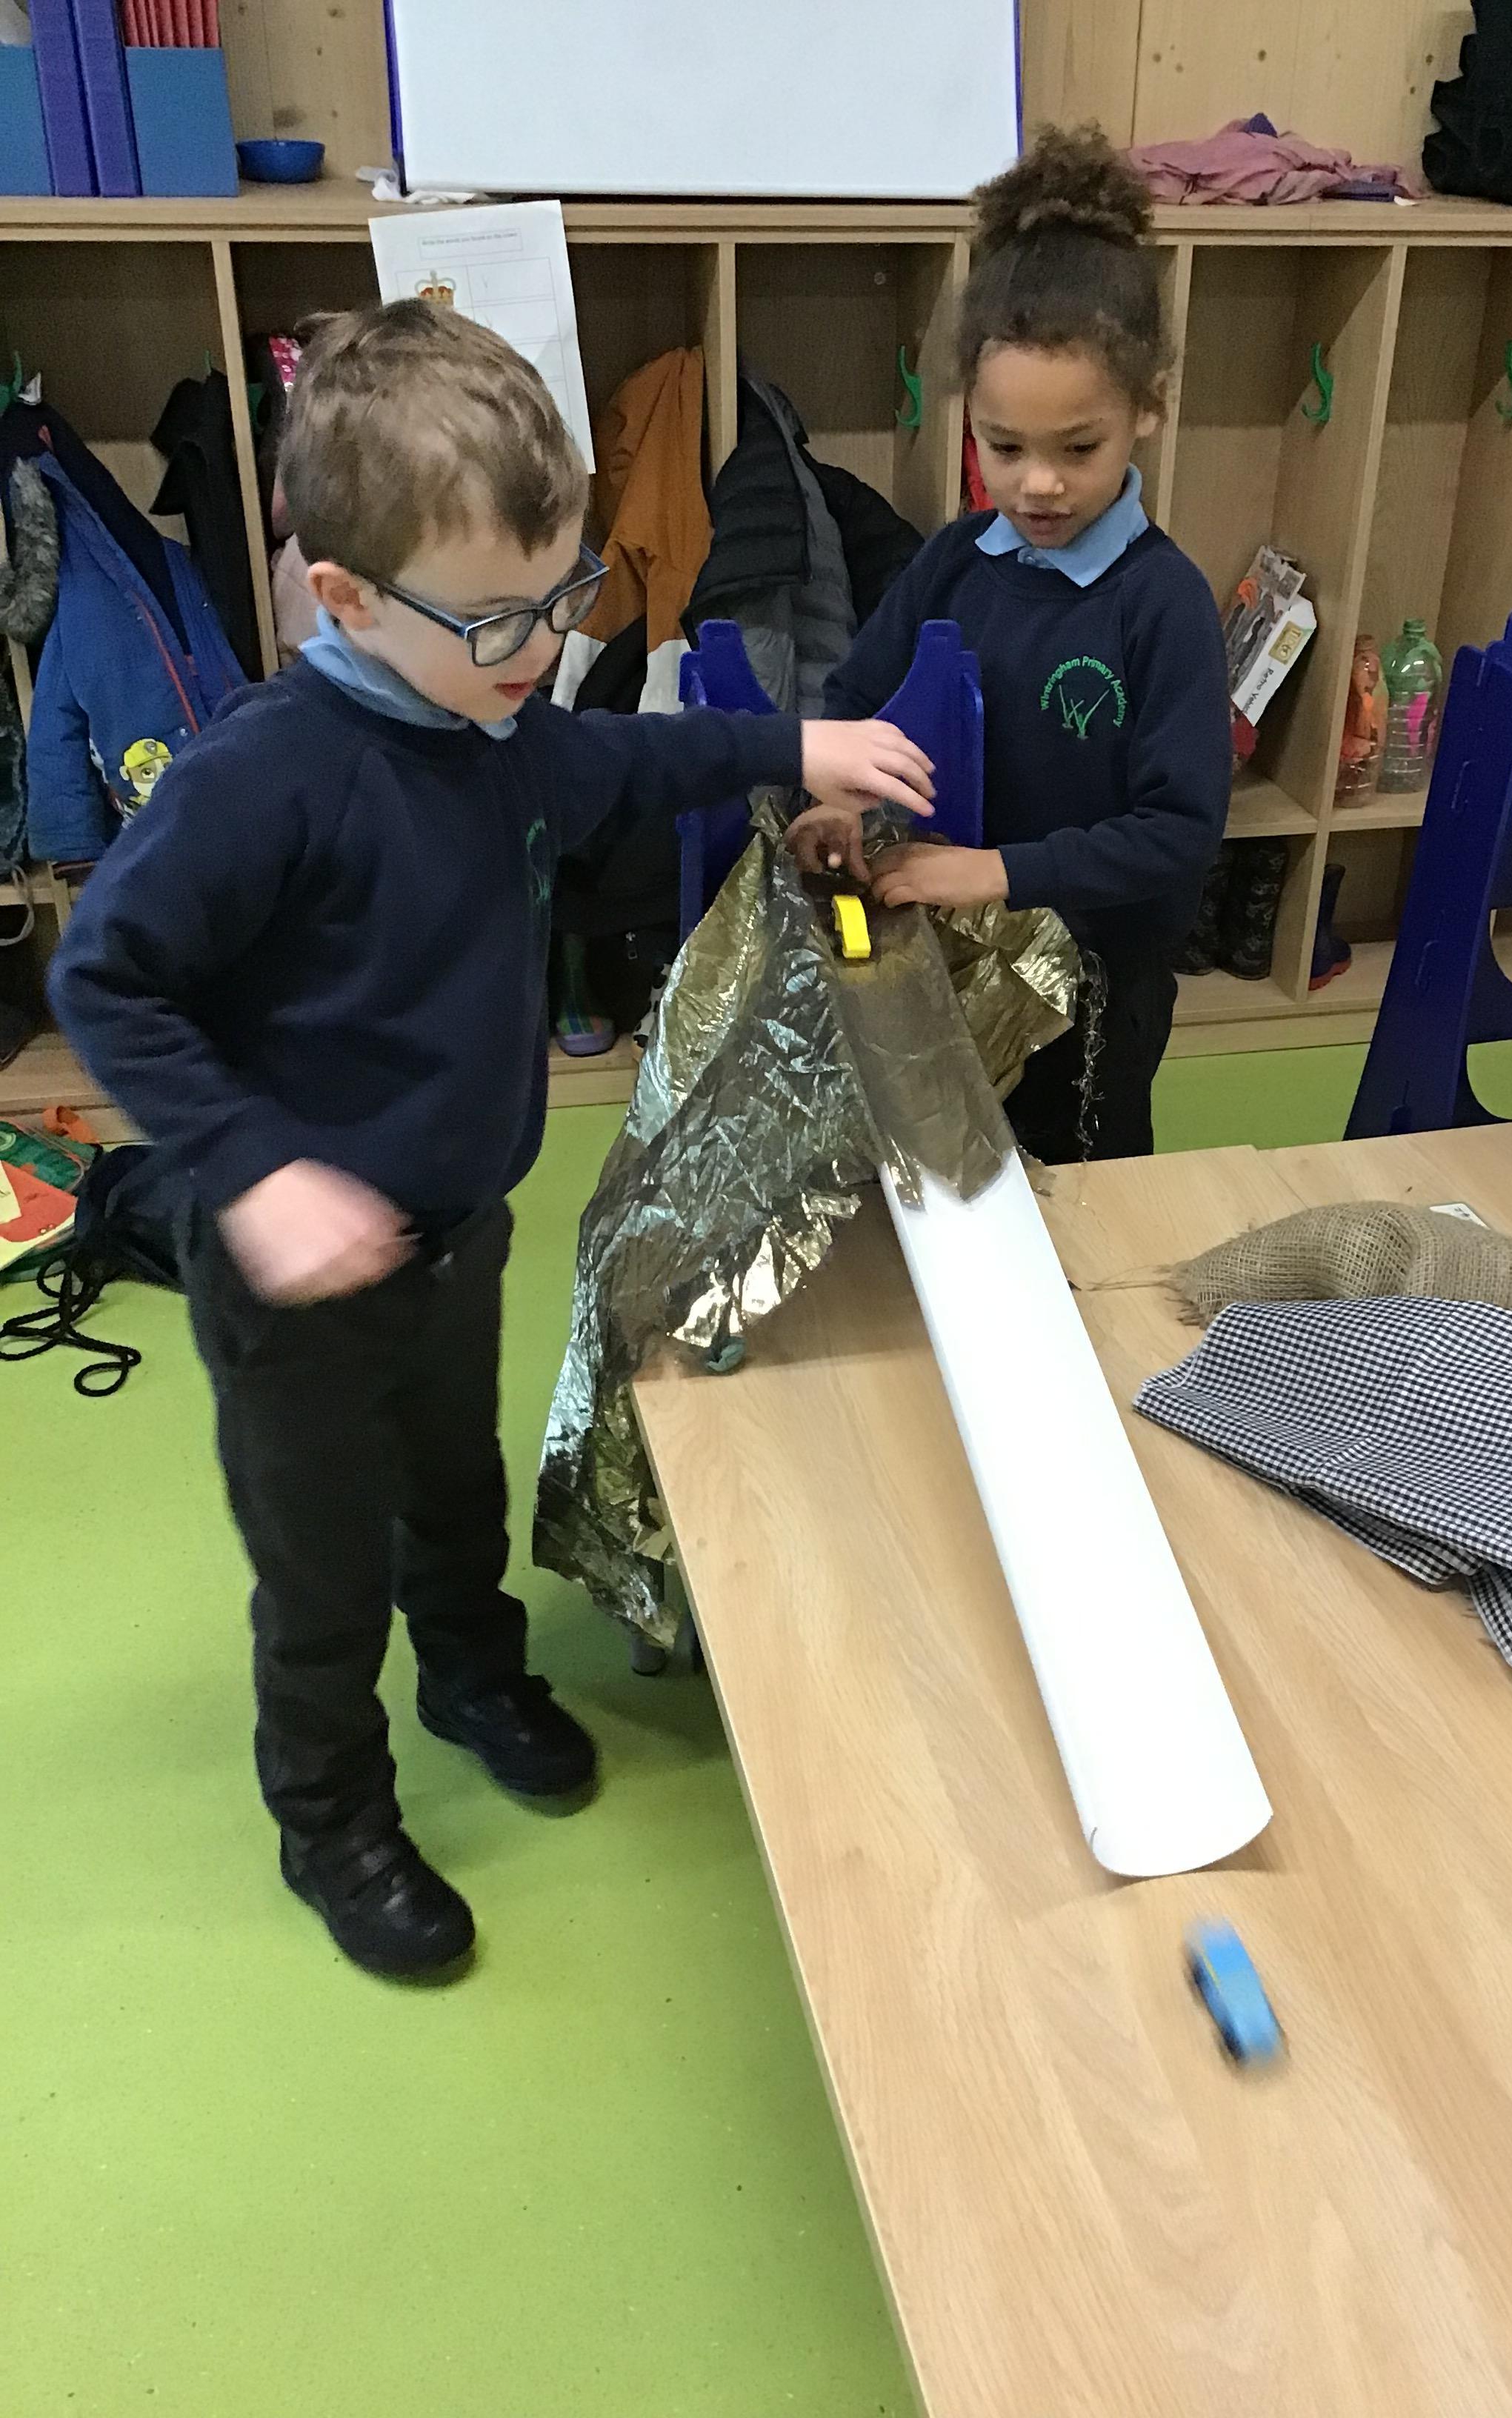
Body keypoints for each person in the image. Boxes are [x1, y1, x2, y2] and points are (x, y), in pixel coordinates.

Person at [50, 302, 931, 1982]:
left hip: (454, 1238)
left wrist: (796, 741)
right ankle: (332, 1816)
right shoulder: (268, 776)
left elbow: (635, 755)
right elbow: (106, 979)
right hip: (294, 1293)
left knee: (455, 1496)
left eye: (564, 590)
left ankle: (470, 1674)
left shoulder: (498, 725)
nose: (545, 646)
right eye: (501, 616)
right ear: (346, 599)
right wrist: (257, 1169)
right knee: (321, 1577)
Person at [787, 124, 1230, 1162]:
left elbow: (1178, 832)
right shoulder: (953, 561)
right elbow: (854, 700)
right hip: (951, 958)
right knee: (956, 1178)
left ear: (1149, 410)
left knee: (1082, 1194)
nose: (1038, 483)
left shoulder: (1160, 603)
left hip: (1095, 990)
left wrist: (993, 871)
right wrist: (835, 798)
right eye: (1004, 446)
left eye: (1079, 448)